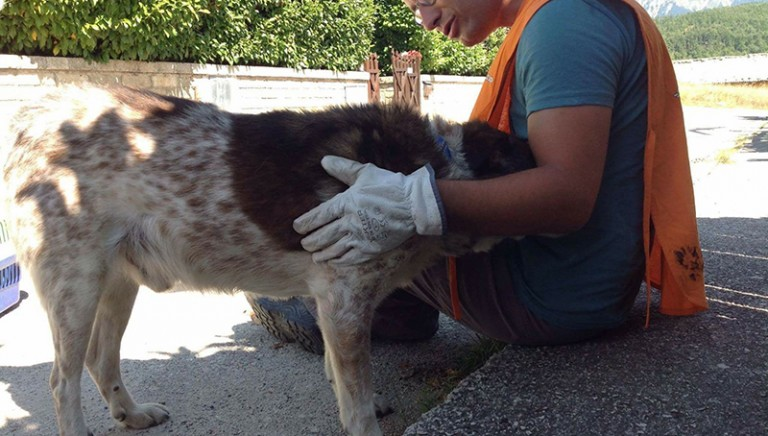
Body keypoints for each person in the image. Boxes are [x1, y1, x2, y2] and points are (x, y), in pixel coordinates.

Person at [250, 0, 707, 353]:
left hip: (551, 299)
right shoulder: (564, 16)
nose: (426, 19)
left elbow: (567, 197)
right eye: (414, 9)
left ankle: (324, 305)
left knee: (357, 213)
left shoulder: (564, 25)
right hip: (581, 285)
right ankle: (399, 313)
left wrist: (415, 201)